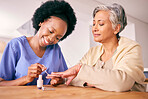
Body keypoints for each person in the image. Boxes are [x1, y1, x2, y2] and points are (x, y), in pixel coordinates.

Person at [47, 3, 146, 92]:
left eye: (101, 24)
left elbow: (121, 83)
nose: (94, 28)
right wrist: (64, 79)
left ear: (116, 28)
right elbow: (75, 77)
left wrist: (81, 72)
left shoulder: (131, 48)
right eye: (94, 23)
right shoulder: (92, 52)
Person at [0, 0, 76, 86]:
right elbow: (1, 84)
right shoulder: (16, 45)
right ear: (41, 22)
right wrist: (26, 78)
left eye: (57, 38)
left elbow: (64, 77)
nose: (52, 39)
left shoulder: (56, 49)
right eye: (51, 31)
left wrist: (58, 80)